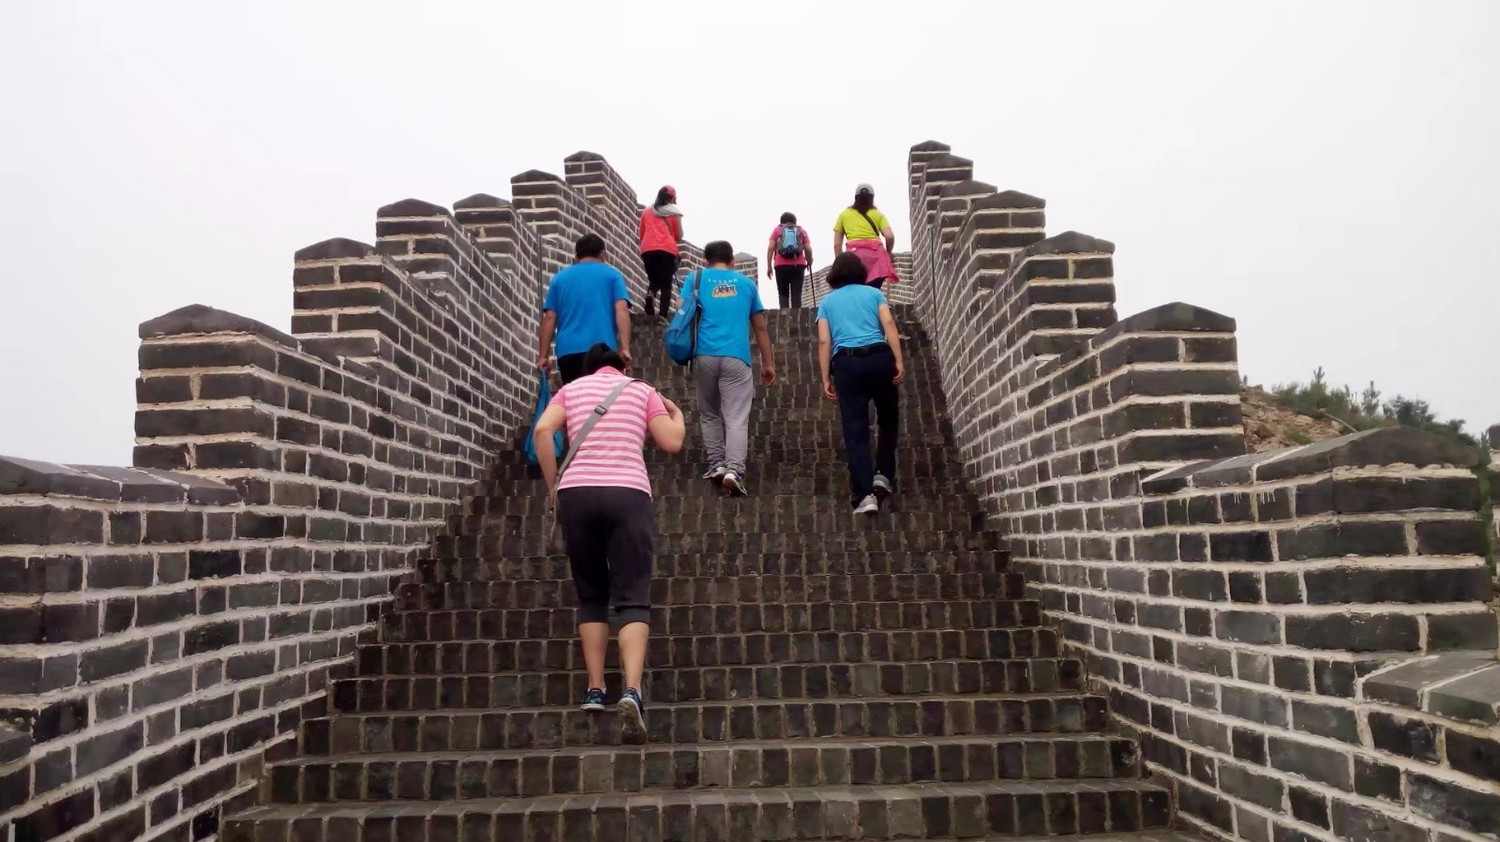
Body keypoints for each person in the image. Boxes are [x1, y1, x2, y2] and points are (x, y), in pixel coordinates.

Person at [532, 342, 686, 744]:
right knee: (633, 595)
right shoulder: (640, 389)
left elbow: (543, 430)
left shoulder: (572, 390)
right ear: (621, 365)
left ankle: (596, 688)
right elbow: (671, 442)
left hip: (577, 496)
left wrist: (554, 487)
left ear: (588, 367)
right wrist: (678, 415)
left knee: (591, 595)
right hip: (628, 495)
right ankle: (632, 690)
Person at [683, 240, 776, 495]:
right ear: (732, 261)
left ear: (705, 260)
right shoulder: (746, 284)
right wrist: (768, 363)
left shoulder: (695, 279)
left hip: (704, 355)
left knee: (709, 412)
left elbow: (683, 315)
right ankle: (735, 469)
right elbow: (761, 327)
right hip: (737, 357)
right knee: (735, 416)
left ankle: (716, 464)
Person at [816, 253, 906, 515]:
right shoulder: (873, 294)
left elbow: (824, 341)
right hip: (879, 357)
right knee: (888, 418)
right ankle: (883, 475)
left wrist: (825, 377)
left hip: (847, 364)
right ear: (860, 272)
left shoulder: (827, 303)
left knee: (855, 429)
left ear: (835, 274)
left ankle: (865, 494)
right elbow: (888, 322)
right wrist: (897, 359)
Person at [536, 234, 632, 385]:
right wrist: (625, 348)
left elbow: (550, 318)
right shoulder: (613, 276)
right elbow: (622, 309)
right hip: (603, 351)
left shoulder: (559, 279)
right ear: (602, 254)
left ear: (576, 256)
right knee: (601, 400)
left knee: (577, 399)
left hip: (568, 352)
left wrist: (543, 356)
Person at [833, 183, 898, 290]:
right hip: (877, 256)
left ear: (856, 198)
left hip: (853, 257)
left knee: (856, 289)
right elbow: (889, 236)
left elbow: (836, 245)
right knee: (873, 290)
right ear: (872, 198)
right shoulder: (878, 214)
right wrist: (889, 252)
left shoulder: (844, 215)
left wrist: (840, 264)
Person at [638, 186, 684, 318]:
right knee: (666, 284)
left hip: (648, 250)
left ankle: (650, 295)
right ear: (673, 198)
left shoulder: (647, 212)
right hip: (667, 250)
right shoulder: (674, 213)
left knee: (654, 280)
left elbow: (642, 233)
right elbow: (679, 235)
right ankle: (663, 315)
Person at [765, 212, 813, 309]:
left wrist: (769, 266)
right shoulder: (801, 231)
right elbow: (808, 249)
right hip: (798, 265)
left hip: (780, 265)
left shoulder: (777, 230)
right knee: (797, 293)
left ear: (781, 222)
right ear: (795, 222)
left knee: (783, 293)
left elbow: (770, 247)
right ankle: (797, 316)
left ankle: (783, 316)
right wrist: (809, 261)